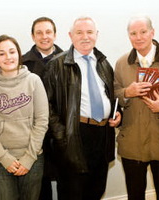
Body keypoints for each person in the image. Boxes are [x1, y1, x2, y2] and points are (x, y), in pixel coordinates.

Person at [44, 16, 121, 200]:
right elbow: (46, 106)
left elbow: (111, 96)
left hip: (102, 137)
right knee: (73, 193)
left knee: (96, 190)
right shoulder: (57, 65)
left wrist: (118, 115)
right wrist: (62, 136)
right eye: (79, 32)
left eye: (89, 32)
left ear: (97, 35)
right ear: (71, 36)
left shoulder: (103, 63)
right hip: (73, 137)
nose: (85, 37)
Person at [114, 15, 159, 200]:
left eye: (143, 32)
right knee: (134, 194)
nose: (138, 37)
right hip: (132, 141)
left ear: (152, 32)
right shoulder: (121, 64)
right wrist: (127, 93)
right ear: (128, 36)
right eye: (133, 33)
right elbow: (113, 97)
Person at [0, 34, 49, 200]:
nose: (8, 57)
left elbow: (42, 121)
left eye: (12, 52)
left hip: (32, 158)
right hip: (0, 160)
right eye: (2, 53)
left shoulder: (34, 81)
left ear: (19, 54)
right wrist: (4, 158)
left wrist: (29, 157)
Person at [21, 17, 63, 200]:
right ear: (32, 36)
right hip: (34, 134)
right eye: (39, 32)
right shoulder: (21, 64)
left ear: (55, 34)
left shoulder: (69, 60)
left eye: (48, 32)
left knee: (66, 182)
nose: (44, 36)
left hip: (62, 132)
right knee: (40, 186)